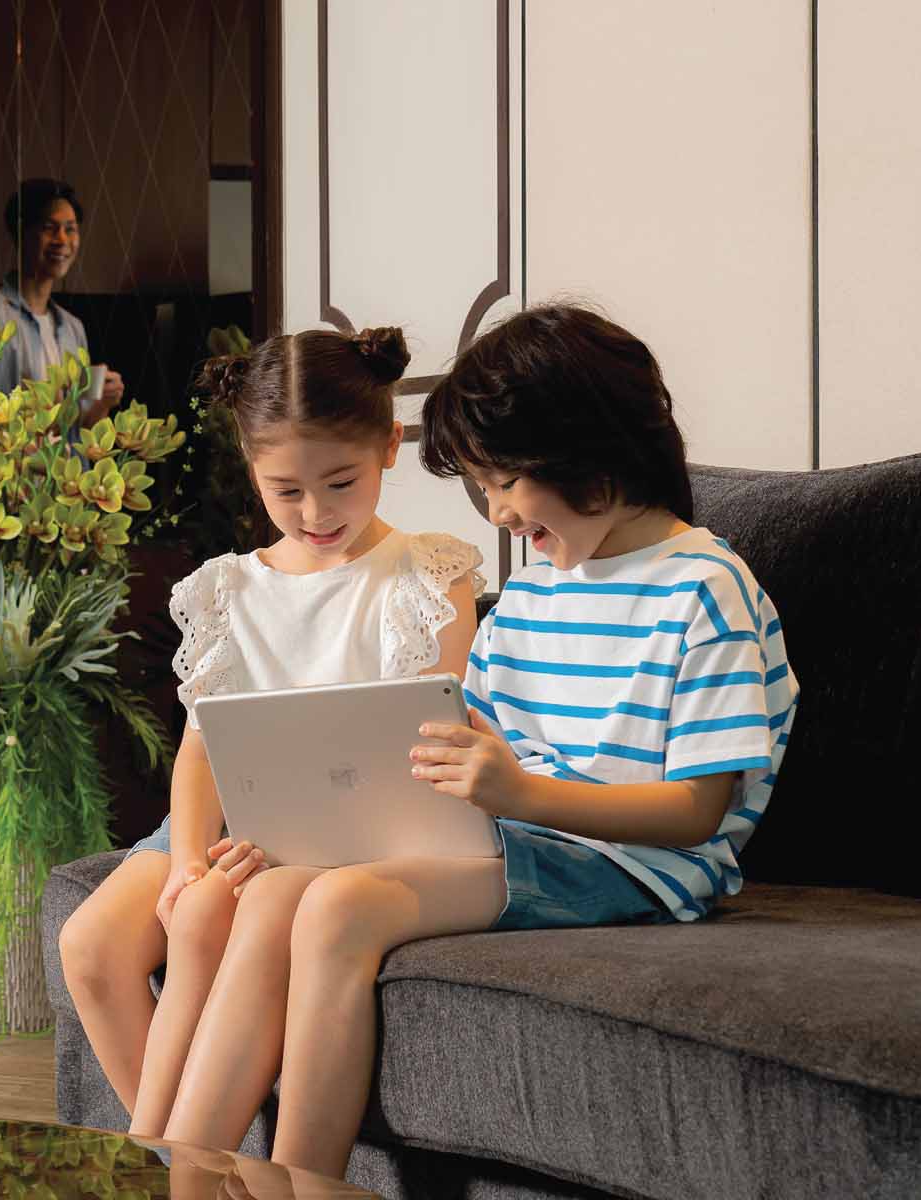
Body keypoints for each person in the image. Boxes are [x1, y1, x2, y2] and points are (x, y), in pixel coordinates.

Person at [154, 303, 799, 1177]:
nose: (496, 514)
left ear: (587, 458)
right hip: (514, 837)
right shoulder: (536, 589)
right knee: (270, 895)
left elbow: (697, 813)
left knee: (340, 907)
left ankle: (300, 1189)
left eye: (502, 484)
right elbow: (467, 733)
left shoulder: (705, 587)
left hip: (632, 863)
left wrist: (516, 791)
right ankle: (181, 1178)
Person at [57, 326, 486, 1134]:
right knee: (90, 944)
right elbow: (201, 746)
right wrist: (188, 861)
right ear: (251, 469)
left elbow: (425, 733)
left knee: (209, 918)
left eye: (340, 482)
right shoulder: (226, 589)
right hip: (229, 819)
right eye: (286, 490)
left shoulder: (429, 573)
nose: (316, 513)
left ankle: (179, 1156)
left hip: (350, 827)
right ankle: (184, 1160)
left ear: (388, 446)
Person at [0, 177, 123, 425]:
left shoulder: (72, 328)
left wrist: (103, 403)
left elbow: (78, 428)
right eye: (49, 228)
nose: (62, 240)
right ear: (21, 234)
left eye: (70, 229)